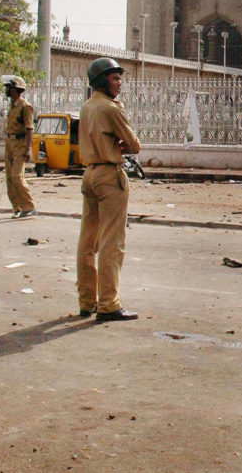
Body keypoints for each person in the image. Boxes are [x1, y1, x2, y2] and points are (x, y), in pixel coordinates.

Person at [76, 57, 142, 322]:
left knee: (87, 241)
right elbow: (134, 143)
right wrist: (123, 144)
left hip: (89, 174)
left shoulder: (87, 107)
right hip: (108, 176)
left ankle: (86, 301)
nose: (119, 83)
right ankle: (108, 304)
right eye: (115, 78)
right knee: (111, 242)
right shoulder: (110, 108)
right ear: (103, 81)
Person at [2, 75, 36, 218]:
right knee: (9, 177)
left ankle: (28, 206)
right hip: (10, 143)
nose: (7, 90)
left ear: (16, 89)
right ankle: (16, 207)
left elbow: (29, 129)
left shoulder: (25, 107)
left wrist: (28, 149)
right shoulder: (12, 105)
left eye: (9, 87)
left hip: (20, 144)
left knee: (17, 176)